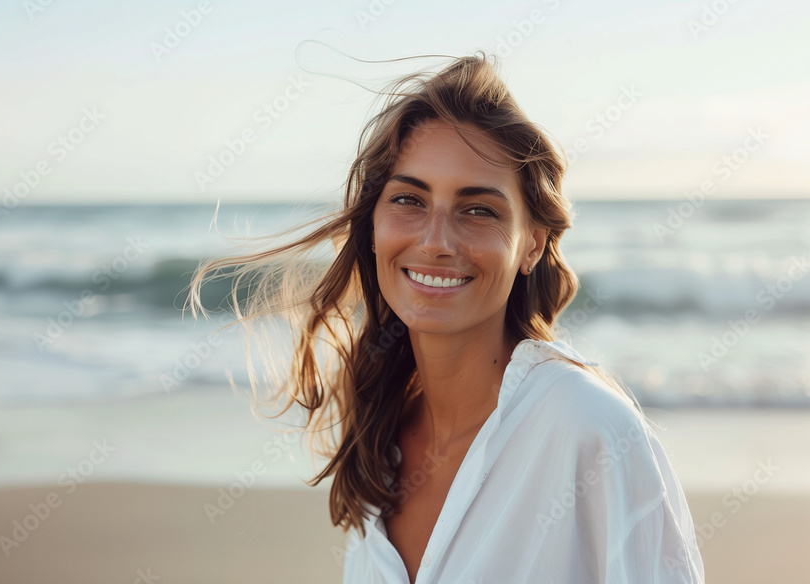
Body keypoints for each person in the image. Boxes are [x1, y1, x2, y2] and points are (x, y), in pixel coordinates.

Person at [186, 52, 704, 583]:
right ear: (373, 225)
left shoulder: (589, 429)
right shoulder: (379, 435)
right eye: (409, 199)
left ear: (531, 244)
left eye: (478, 209)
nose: (435, 242)